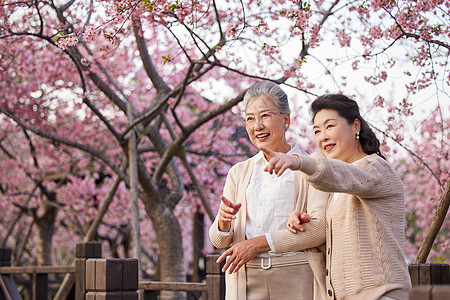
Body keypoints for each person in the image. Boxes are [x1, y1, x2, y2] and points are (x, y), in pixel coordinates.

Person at [263, 94, 412, 300]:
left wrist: (298, 161)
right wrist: (301, 221)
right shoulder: (338, 190)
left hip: (381, 295)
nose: (322, 136)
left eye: (329, 126)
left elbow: (341, 174)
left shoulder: (376, 168)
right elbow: (344, 245)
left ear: (355, 126)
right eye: (317, 131)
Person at [209, 80, 330, 300]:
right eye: (250, 118)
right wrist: (224, 222)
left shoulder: (311, 166)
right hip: (247, 279)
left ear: (286, 119)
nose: (257, 126)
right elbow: (218, 241)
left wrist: (256, 244)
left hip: (297, 275)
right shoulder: (239, 172)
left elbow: (318, 230)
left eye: (265, 115)